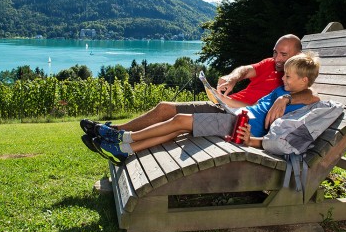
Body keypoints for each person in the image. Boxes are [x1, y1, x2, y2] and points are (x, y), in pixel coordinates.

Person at [82, 52, 322, 164]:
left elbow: (314, 97)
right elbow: (250, 93)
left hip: (240, 127)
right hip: (236, 116)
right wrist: (225, 97)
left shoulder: (296, 94)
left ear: (302, 81)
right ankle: (127, 149)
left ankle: (122, 136)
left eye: (289, 77)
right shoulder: (282, 88)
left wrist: (287, 99)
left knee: (180, 121)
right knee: (178, 129)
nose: (284, 79)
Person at [81, 34, 315, 135]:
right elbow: (246, 69)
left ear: (297, 54)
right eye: (275, 53)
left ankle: (117, 134)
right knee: (165, 107)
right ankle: (116, 131)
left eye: (283, 55)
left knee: (169, 113)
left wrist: (287, 98)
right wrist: (233, 77)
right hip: (224, 106)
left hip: (235, 115)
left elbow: (312, 95)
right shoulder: (271, 65)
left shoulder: (293, 80)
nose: (277, 59)